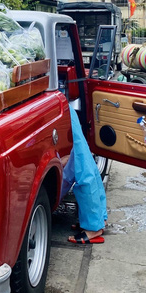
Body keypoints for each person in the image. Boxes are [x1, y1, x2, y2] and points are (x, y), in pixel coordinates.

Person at [62, 105, 108, 244]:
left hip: (52, 96)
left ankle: (94, 226)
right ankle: (99, 219)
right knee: (81, 155)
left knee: (81, 162)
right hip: (59, 98)